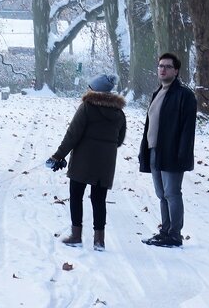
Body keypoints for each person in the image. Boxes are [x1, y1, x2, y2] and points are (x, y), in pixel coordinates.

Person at [46, 73, 126, 251]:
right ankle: (99, 240)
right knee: (99, 199)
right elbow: (119, 140)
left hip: (83, 160)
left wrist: (58, 155)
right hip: (105, 163)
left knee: (76, 195)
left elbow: (72, 134)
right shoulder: (119, 113)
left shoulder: (87, 107)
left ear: (94, 89)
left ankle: (76, 236)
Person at [138, 52, 197, 248]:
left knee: (172, 193)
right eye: (160, 66)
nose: (162, 69)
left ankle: (174, 235)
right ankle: (165, 231)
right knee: (161, 194)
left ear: (176, 70)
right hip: (154, 150)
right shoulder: (157, 93)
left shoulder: (185, 95)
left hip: (173, 153)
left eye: (167, 66)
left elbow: (188, 130)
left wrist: (182, 154)